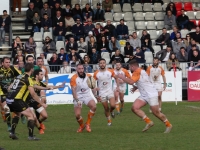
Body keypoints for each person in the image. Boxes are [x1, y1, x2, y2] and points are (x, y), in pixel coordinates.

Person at [116, 60, 172, 133]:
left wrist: (122, 77)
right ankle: (149, 122)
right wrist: (137, 87)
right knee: (134, 108)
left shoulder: (137, 72)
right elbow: (144, 82)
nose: (129, 69)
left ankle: (168, 125)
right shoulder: (141, 71)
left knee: (156, 112)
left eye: (130, 67)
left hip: (151, 94)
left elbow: (131, 82)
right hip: (145, 94)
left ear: (133, 66)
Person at [6, 63, 47, 140]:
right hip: (17, 100)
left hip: (9, 99)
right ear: (31, 69)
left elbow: (9, 88)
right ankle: (31, 136)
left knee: (17, 114)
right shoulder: (28, 79)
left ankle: (12, 133)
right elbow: (33, 94)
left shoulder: (19, 76)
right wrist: (42, 103)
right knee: (31, 116)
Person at [27, 69, 64, 134]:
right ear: (36, 75)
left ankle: (38, 122)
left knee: (45, 116)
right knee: (34, 117)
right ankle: (40, 129)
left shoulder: (40, 83)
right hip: (28, 102)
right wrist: (46, 88)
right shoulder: (31, 80)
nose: (43, 76)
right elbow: (36, 87)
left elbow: (48, 86)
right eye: (41, 74)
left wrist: (59, 86)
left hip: (36, 102)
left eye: (43, 74)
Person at [70, 64, 98, 132]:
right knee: (77, 115)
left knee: (94, 106)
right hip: (78, 96)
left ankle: (88, 124)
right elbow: (73, 90)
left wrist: (96, 96)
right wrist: (77, 100)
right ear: (76, 70)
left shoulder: (89, 76)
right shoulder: (73, 78)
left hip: (87, 95)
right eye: (79, 69)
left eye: (82, 68)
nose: (81, 70)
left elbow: (93, 87)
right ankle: (82, 126)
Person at [93, 58, 119, 125]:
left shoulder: (110, 71)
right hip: (102, 93)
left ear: (105, 64)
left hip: (109, 91)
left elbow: (116, 78)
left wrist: (117, 87)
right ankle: (109, 121)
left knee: (113, 105)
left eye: (103, 63)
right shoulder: (96, 73)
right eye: (100, 63)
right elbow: (92, 84)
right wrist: (95, 90)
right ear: (99, 64)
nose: (102, 64)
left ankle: (112, 111)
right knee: (106, 108)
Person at [0, 57, 22, 132]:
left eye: (9, 62)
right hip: (3, 92)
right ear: (2, 63)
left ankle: (21, 114)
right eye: (6, 62)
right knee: (6, 109)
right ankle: (9, 124)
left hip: (13, 92)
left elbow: (20, 76)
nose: (8, 63)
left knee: (18, 108)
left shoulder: (12, 69)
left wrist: (13, 83)